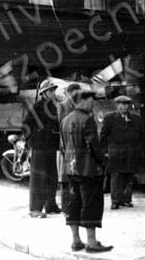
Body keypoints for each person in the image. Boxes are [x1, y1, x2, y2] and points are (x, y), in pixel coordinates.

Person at [61, 90, 112, 253]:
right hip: (88, 169)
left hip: (70, 168)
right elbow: (93, 146)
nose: (93, 104)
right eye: (91, 101)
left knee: (74, 203)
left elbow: (63, 146)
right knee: (91, 203)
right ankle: (92, 242)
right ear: (81, 101)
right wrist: (103, 162)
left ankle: (76, 241)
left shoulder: (65, 120)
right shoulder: (87, 120)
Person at [22, 79, 61, 218]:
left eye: (53, 91)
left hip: (50, 146)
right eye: (51, 91)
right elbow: (26, 125)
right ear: (44, 93)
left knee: (52, 176)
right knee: (38, 179)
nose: (53, 93)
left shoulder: (53, 107)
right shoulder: (37, 107)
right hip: (39, 147)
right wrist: (32, 140)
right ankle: (35, 209)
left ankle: (50, 205)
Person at [100, 95, 142, 209]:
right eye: (121, 105)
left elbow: (140, 135)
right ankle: (115, 200)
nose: (124, 107)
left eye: (126, 104)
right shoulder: (110, 118)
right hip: (116, 152)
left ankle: (127, 199)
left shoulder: (136, 119)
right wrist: (104, 151)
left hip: (131, 151)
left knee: (129, 176)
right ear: (117, 105)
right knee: (116, 176)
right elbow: (103, 136)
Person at [57, 83, 81, 211]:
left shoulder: (78, 105)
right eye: (76, 93)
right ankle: (66, 206)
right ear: (70, 93)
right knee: (65, 177)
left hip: (77, 145)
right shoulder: (62, 106)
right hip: (66, 145)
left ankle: (75, 204)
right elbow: (61, 125)